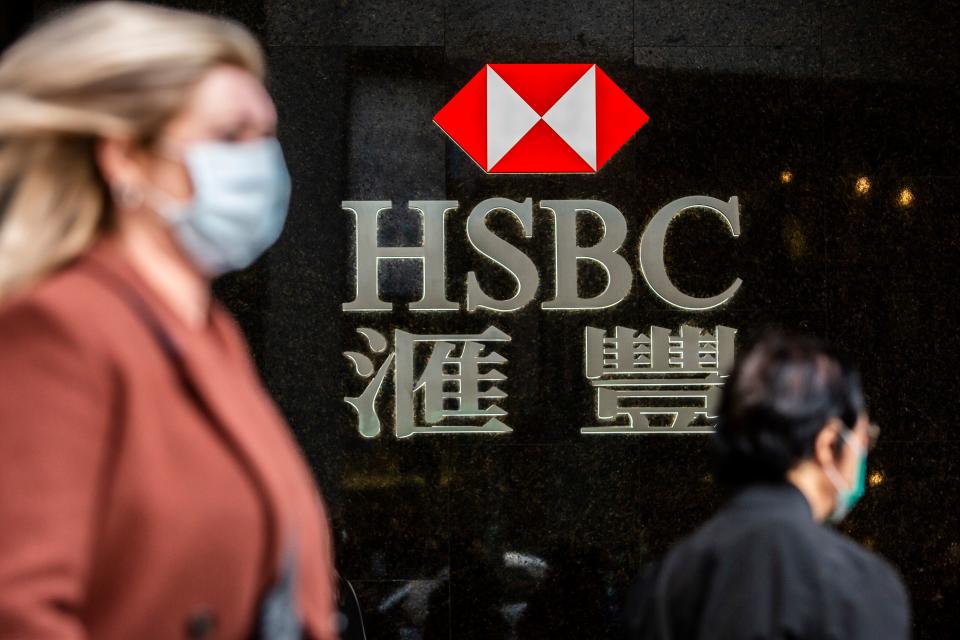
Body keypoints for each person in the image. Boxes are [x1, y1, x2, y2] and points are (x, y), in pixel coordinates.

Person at [0, 3, 337, 638]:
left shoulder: (210, 336)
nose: (261, 163)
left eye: (268, 135)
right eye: (231, 136)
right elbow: (19, 609)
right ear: (125, 158)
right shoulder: (57, 328)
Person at [624, 331, 910, 640]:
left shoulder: (666, 581)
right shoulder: (860, 582)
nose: (864, 453)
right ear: (828, 444)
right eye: (865, 438)